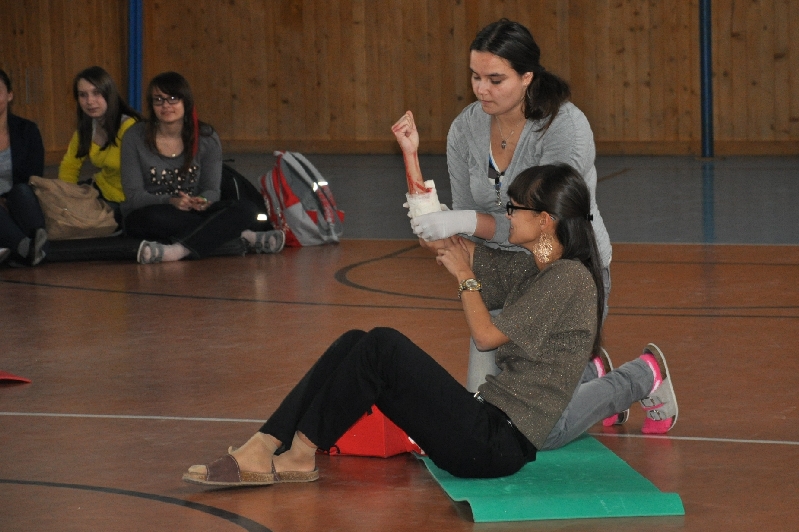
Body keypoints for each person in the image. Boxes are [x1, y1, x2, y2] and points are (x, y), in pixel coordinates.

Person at [182, 164, 677, 488]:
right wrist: (427, 205)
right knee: (357, 342)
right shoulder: (536, 264)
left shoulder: (569, 278)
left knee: (383, 347)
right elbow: (450, 247)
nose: (507, 216)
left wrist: (464, 277)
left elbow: (486, 336)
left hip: (499, 444)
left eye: (515, 209)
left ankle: (299, 453)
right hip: (487, 425)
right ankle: (269, 443)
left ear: (545, 220)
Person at [393, 19, 614, 395]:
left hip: (560, 266)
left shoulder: (565, 127)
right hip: (499, 269)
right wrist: (439, 221)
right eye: (475, 77)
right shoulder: (464, 129)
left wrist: (463, 221)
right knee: (485, 405)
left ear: (527, 76)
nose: (482, 89)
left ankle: (630, 376)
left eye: (495, 80)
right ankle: (584, 370)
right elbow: (464, 221)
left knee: (537, 407)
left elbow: (547, 224)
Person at [121, 71, 284, 264]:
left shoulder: (206, 137)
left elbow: (212, 190)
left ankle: (177, 251)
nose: (165, 105)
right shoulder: (135, 137)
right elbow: (134, 196)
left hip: (194, 210)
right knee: (147, 220)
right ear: (151, 105)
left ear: (186, 102)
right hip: (155, 210)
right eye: (158, 100)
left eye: (173, 99)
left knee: (246, 209)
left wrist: (204, 200)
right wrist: (170, 201)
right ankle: (239, 235)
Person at [58, 66, 142, 222]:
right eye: (83, 95)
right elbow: (69, 166)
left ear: (109, 93)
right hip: (100, 189)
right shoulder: (86, 129)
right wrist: (68, 197)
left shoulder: (130, 128)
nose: (90, 101)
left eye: (96, 93)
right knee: (40, 198)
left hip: (126, 201)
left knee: (83, 221)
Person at [0, 68, 47, 266]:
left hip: (19, 203)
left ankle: (29, 243)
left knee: (22, 191)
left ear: (10, 95)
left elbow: (35, 175)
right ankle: (27, 248)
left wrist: (7, 200)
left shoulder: (27, 130)